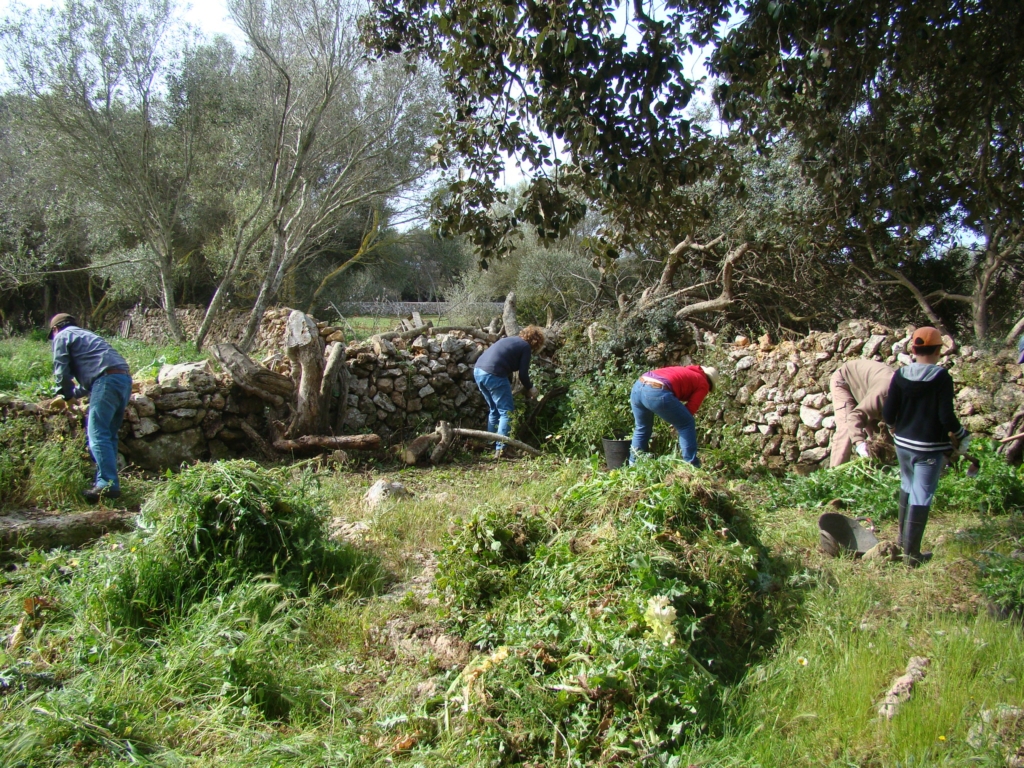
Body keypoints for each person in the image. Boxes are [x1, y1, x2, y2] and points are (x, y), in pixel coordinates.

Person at [882, 326, 969, 566]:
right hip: (928, 448)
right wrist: (962, 435)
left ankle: (901, 542)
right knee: (921, 495)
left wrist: (892, 428)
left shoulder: (900, 375)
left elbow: (888, 412)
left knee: (907, 485)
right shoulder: (941, 378)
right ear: (939, 350)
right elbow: (945, 417)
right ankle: (912, 556)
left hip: (903, 444)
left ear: (913, 348)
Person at [49, 313, 133, 502]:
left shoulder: (62, 336)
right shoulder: (87, 337)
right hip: (123, 379)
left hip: (106, 380)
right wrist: (73, 394)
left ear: (55, 329)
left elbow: (61, 371)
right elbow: (89, 383)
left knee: (97, 433)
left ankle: (106, 484)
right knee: (109, 435)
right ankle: (110, 484)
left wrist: (64, 395)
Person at [473, 325, 545, 455]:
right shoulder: (525, 347)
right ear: (536, 342)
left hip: (478, 371)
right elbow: (523, 374)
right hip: (494, 374)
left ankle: (491, 444)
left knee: (494, 410)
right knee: (506, 412)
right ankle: (501, 448)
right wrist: (531, 388)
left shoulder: (510, 340)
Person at [629, 364, 719, 467]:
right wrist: (678, 422)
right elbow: (691, 408)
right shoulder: (703, 383)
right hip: (656, 391)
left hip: (638, 386)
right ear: (710, 383)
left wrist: (676, 419)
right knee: (687, 423)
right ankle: (691, 466)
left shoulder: (686, 371)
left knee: (642, 427)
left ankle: (633, 465)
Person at [828, 359, 896, 467]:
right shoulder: (882, 395)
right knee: (846, 428)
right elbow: (854, 417)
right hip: (845, 381)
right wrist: (860, 445)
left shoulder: (911, 403)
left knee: (879, 440)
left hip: (868, 390)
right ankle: (833, 478)